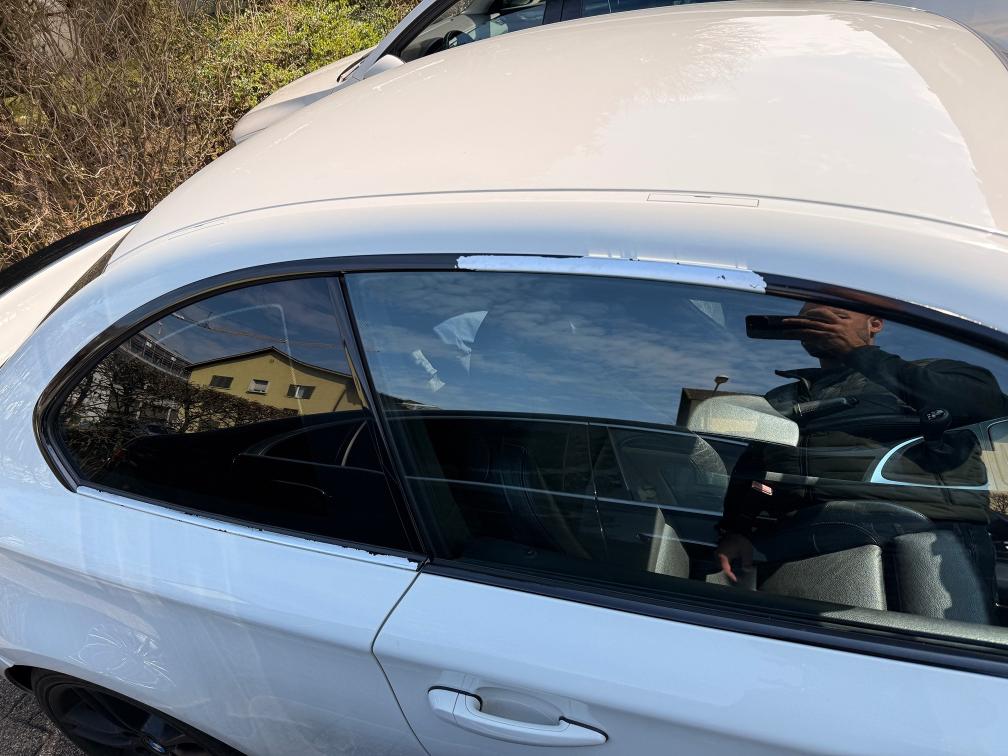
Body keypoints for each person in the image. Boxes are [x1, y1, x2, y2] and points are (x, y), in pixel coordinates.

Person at [715, 303, 1007, 596]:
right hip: (802, 538)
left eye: (838, 318)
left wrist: (856, 351)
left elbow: (983, 405)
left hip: (927, 539)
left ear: (875, 324)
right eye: (811, 321)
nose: (823, 327)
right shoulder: (782, 398)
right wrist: (736, 530)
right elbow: (755, 470)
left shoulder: (931, 373)